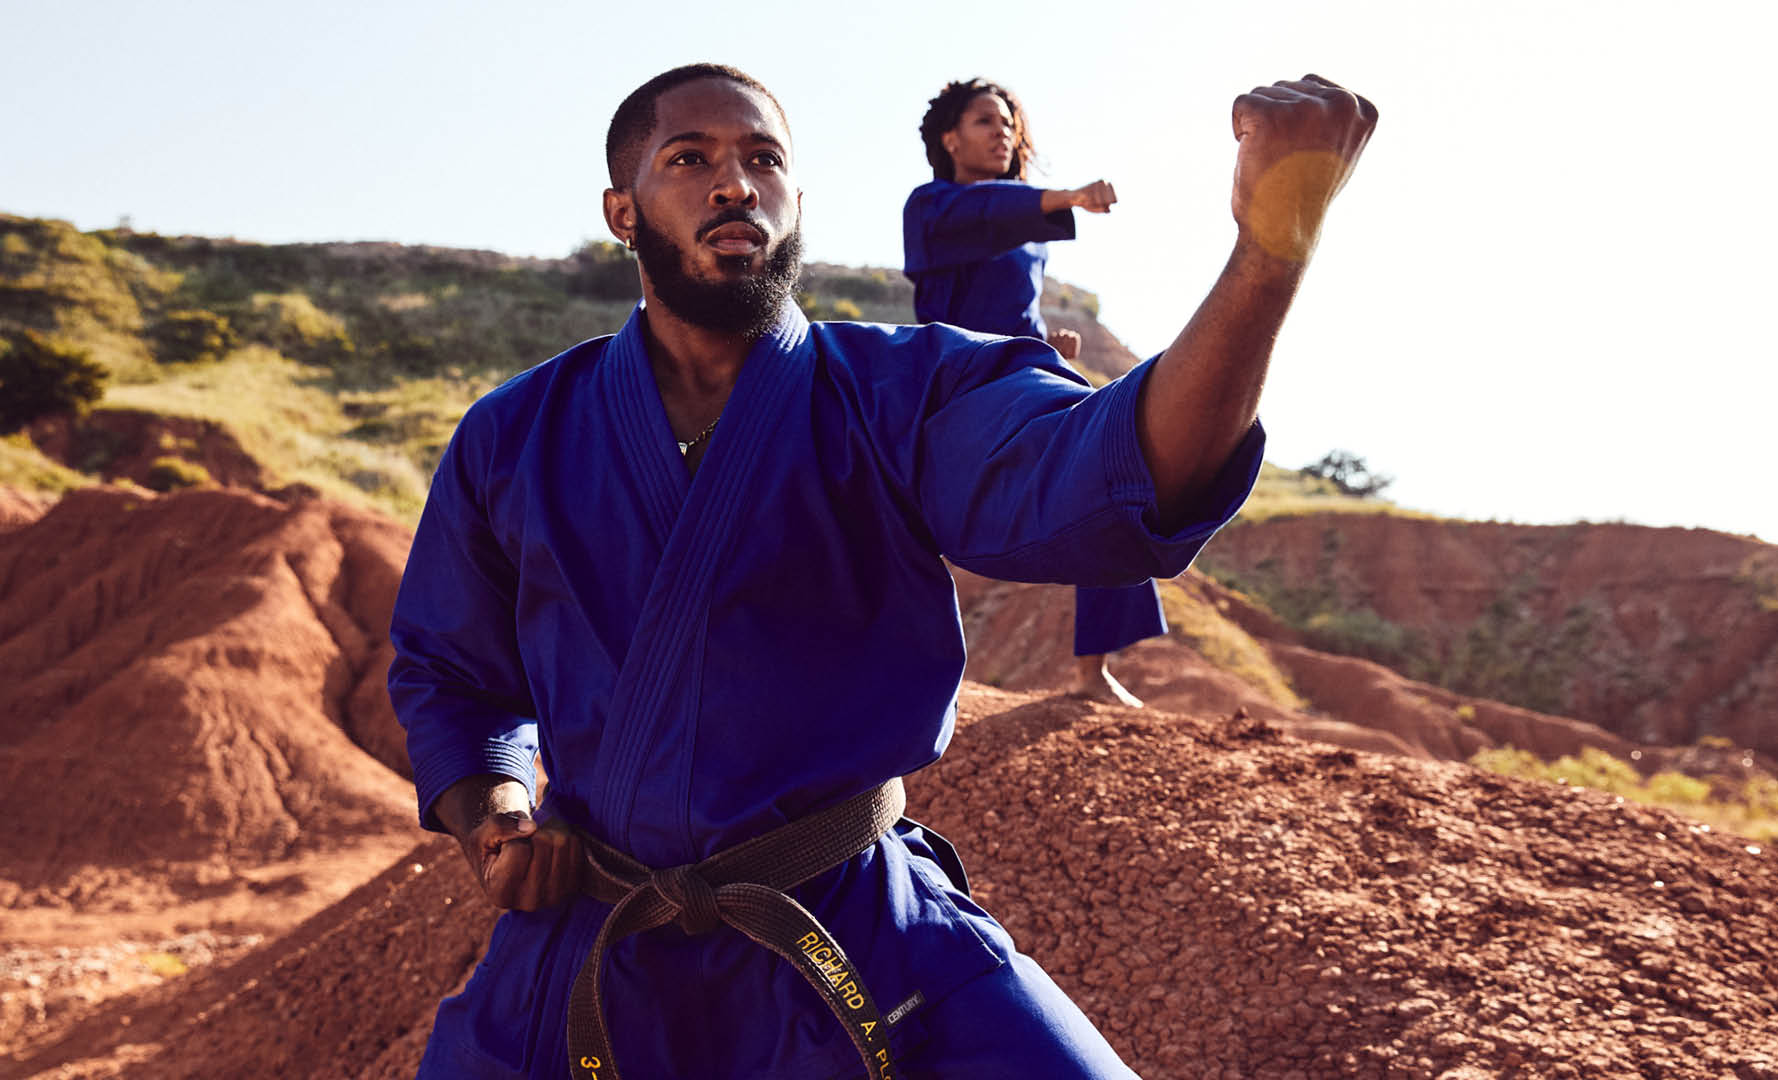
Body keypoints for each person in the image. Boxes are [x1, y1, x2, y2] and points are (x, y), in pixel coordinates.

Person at [390, 62, 1375, 1080]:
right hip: (592, 942)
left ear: (796, 204)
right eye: (690, 160)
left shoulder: (900, 391)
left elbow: (1114, 470)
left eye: (762, 160)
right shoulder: (516, 434)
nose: (734, 184)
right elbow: (451, 672)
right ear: (621, 211)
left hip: (854, 926)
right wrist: (494, 813)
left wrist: (1265, 259)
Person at [903, 78, 1165, 707]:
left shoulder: (1030, 227)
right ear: (950, 138)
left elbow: (1013, 309)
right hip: (951, 383)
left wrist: (1050, 345)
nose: (1002, 132)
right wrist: (1068, 194)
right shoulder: (931, 207)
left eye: (1008, 123)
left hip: (1021, 376)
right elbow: (984, 216)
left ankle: (1090, 673)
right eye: (985, 121)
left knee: (1121, 466)